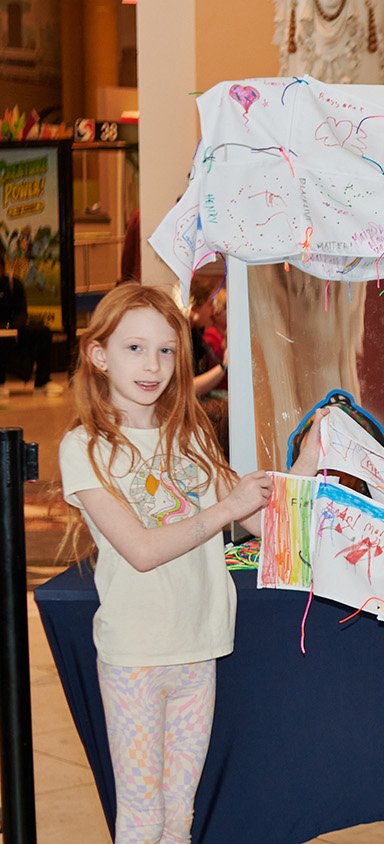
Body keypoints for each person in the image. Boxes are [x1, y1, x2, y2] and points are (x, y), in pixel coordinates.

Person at [58, 284, 324, 842]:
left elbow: (263, 521)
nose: (152, 366)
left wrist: (309, 460)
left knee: (179, 818)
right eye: (134, 348)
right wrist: (226, 508)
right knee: (141, 819)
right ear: (99, 355)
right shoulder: (84, 447)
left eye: (165, 350)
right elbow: (141, 550)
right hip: (136, 656)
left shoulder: (193, 434)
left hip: (200, 648)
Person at [0, 250, 61, 396]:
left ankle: (42, 382)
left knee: (43, 332)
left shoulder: (13, 284)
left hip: (13, 330)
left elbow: (21, 311)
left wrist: (15, 327)